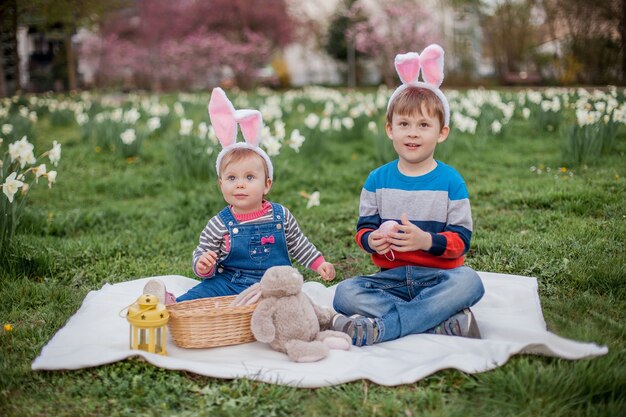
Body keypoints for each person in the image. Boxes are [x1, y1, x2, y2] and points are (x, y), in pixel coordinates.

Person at [331, 44, 484, 346]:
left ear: (442, 132)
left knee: (471, 282)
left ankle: (384, 326)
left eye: (424, 125)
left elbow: (461, 240)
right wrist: (372, 240)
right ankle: (437, 322)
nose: (412, 133)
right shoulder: (377, 180)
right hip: (390, 280)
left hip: (438, 279)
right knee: (344, 293)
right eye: (404, 124)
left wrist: (426, 241)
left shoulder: (451, 182)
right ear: (390, 129)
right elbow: (364, 229)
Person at [144, 88, 335, 304]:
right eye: (232, 178)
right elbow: (203, 250)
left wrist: (319, 263)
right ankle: (176, 304)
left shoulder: (280, 215)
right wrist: (203, 264)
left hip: (274, 283)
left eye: (250, 177)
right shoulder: (219, 223)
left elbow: (299, 244)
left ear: (267, 185)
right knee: (205, 291)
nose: (240, 184)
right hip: (231, 281)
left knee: (292, 300)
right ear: (221, 184)